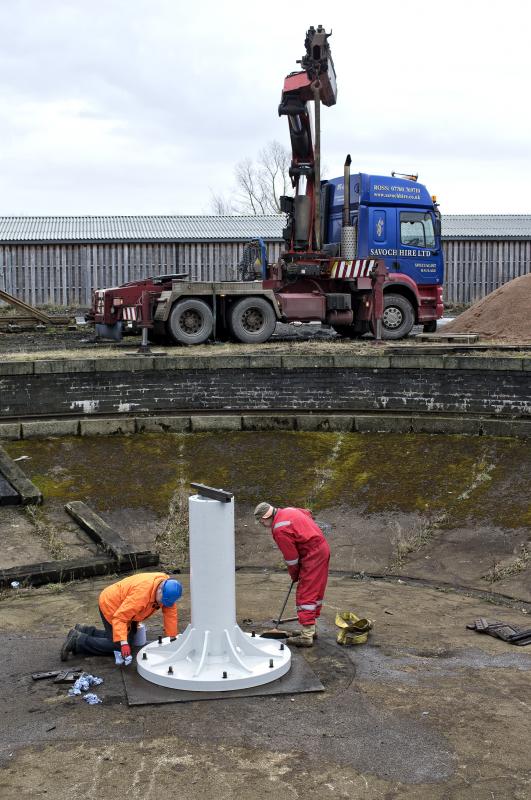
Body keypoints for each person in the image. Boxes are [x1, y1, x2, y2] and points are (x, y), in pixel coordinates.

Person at [60, 572, 182, 664]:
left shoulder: (168, 588)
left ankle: (85, 631)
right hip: (112, 606)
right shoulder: (141, 595)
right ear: (160, 590)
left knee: (130, 639)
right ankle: (78, 641)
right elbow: (120, 617)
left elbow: (170, 613)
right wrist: (123, 644)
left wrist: (172, 639)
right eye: (163, 601)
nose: (163, 604)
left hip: (128, 609)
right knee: (118, 646)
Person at [254, 502, 330, 647]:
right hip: (321, 548)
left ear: (265, 517)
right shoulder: (288, 510)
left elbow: (291, 558)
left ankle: (306, 636)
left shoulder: (279, 529)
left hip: (312, 554)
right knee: (315, 591)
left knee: (305, 593)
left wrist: (295, 574)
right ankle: (311, 629)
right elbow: (307, 512)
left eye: (261, 521)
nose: (262, 524)